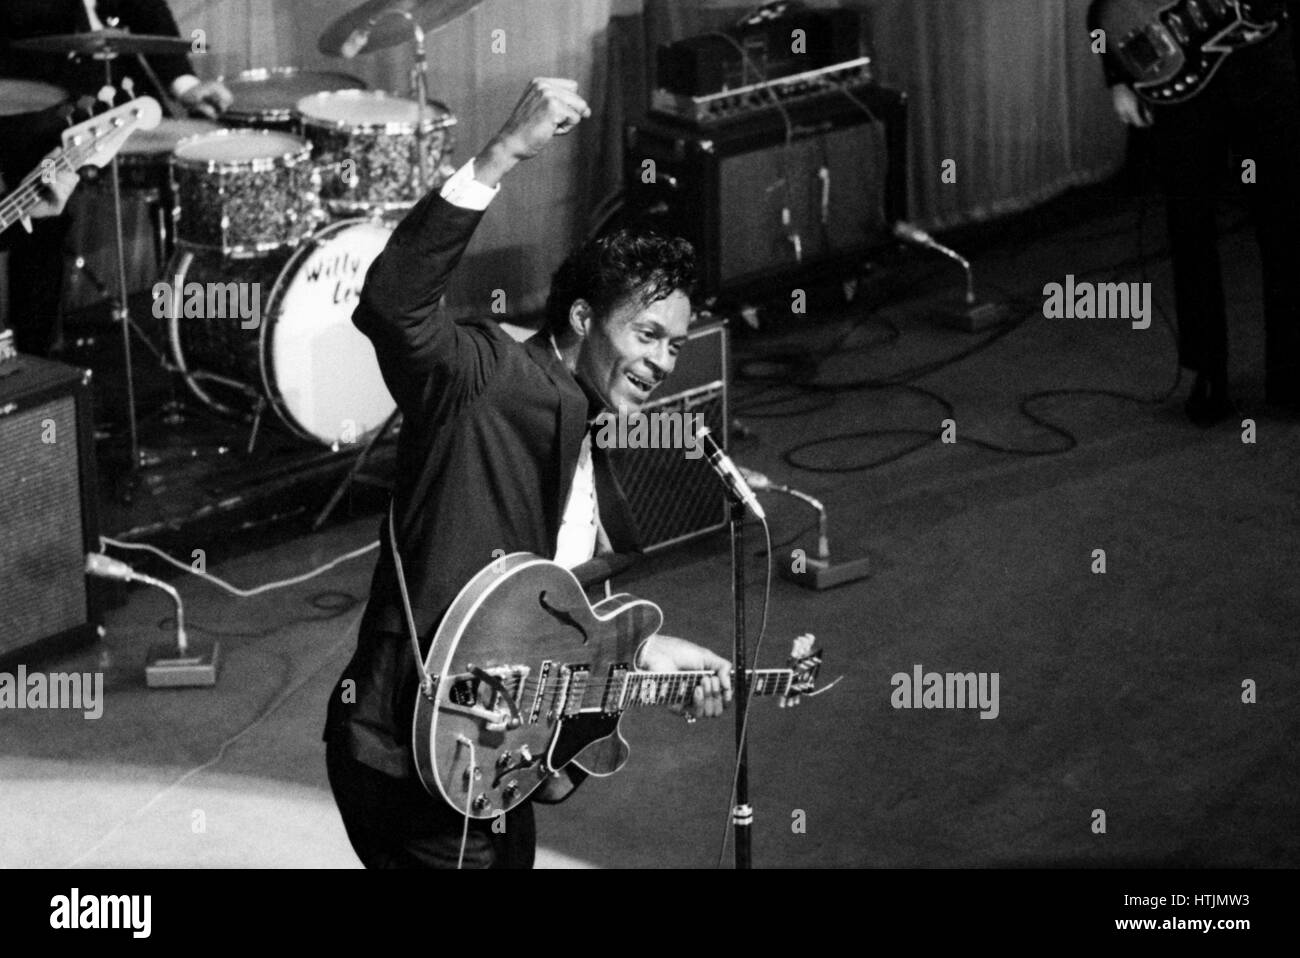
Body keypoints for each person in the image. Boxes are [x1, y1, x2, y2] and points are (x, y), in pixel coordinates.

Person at [323, 78, 734, 869]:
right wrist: (503, 152)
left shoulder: (598, 438)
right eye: (648, 333)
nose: (663, 363)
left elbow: (554, 614)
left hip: (492, 767)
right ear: (582, 317)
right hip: (409, 756)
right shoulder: (489, 377)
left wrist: (646, 654)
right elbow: (393, 304)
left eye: (675, 346)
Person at [1088, 1, 1300, 423]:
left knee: (1286, 223)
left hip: (1263, 65)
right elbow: (1103, 6)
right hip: (1182, 77)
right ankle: (1207, 371)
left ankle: (1291, 372)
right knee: (1189, 226)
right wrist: (1116, 75)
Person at [0, 0, 232, 356]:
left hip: (113, 111)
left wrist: (186, 87)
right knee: (38, 227)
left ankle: (191, 339)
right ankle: (39, 361)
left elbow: (150, 16)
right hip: (30, 109)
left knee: (192, 172)